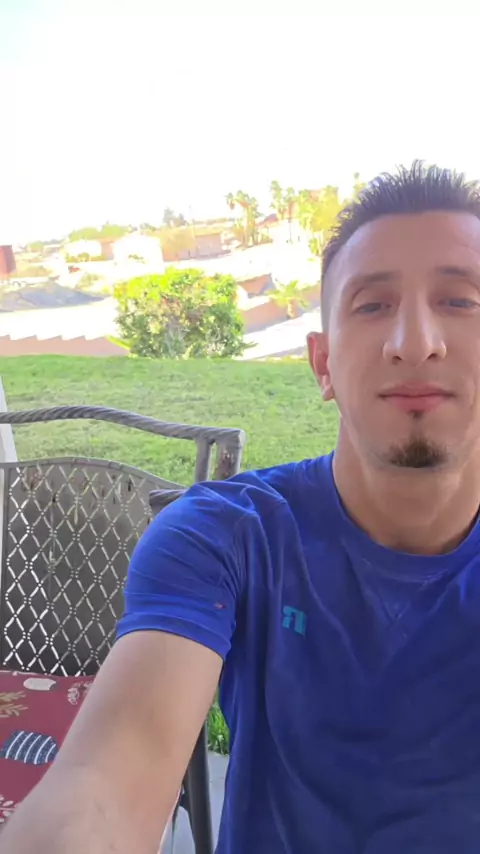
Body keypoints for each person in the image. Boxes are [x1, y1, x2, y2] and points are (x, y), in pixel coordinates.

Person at [4, 161, 480, 854]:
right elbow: (105, 785)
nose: (415, 343)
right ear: (323, 364)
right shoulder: (223, 537)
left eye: (460, 301)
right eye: (373, 305)